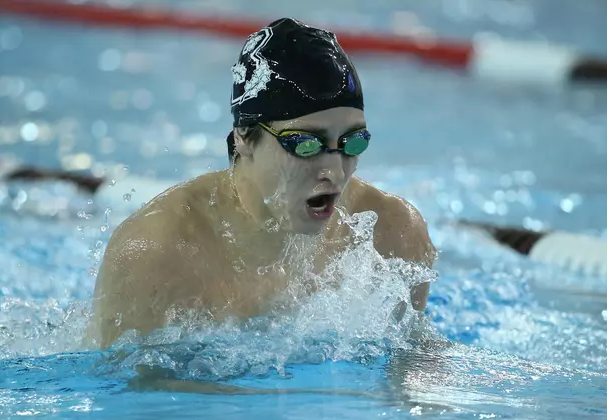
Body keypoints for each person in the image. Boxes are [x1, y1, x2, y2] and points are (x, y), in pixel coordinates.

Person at [84, 17, 437, 349]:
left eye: (352, 142)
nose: (335, 171)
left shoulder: (393, 237)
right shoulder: (156, 257)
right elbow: (130, 404)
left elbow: (406, 380)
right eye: (304, 143)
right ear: (244, 138)